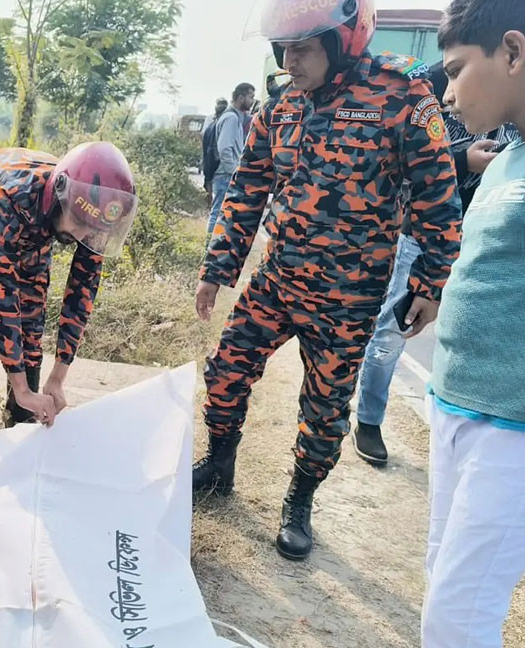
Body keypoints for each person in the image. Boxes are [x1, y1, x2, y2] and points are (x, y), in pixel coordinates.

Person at [191, 0, 462, 561]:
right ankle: (219, 464)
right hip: (277, 281)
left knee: (324, 410)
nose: (289, 62)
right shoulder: (281, 107)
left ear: (343, 42)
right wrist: (217, 270)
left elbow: (437, 195)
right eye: (283, 49)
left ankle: (299, 500)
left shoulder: (401, 96)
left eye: (303, 49)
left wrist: (430, 283)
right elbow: (245, 191)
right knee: (224, 373)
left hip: (348, 296)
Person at [352, 60, 519, 467]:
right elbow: (400, 160)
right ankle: (369, 419)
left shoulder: (513, 107)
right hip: (423, 236)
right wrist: (463, 161)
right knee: (395, 329)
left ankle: (466, 430)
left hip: (483, 234)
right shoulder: (436, 79)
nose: (451, 95)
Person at [0, 143, 138, 461]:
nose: (83, 234)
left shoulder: (92, 213)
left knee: (31, 327)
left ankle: (21, 429)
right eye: (78, 222)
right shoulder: (10, 197)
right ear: (59, 195)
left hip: (34, 230)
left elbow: (81, 296)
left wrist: (58, 378)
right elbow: (4, 297)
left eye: (92, 228)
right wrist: (23, 389)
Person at [423, 1, 525, 645]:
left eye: (457, 70)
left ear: (512, 53)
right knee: (440, 581)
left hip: (511, 430)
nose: (448, 93)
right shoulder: (506, 160)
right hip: (454, 405)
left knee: (457, 619)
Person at [207, 83, 255, 233]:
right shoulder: (231, 118)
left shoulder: (234, 117)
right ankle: (209, 245)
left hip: (225, 175)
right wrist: (233, 171)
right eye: (250, 97)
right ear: (241, 98)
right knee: (218, 214)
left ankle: (213, 244)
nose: (252, 101)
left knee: (222, 214)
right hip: (225, 175)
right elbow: (224, 148)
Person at [202, 97, 229, 198]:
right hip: (216, 159)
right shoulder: (220, 124)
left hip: (210, 157)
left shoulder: (211, 125)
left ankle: (210, 200)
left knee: (209, 181)